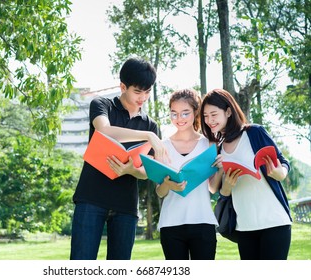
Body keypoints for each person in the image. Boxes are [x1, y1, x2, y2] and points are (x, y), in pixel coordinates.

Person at [70, 57, 166, 260]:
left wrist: (131, 170)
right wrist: (147, 136)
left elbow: (147, 171)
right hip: (91, 198)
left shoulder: (151, 124)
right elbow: (104, 130)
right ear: (123, 86)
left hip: (125, 206)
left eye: (147, 92)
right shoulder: (102, 105)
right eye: (137, 91)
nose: (143, 97)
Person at [200, 88, 292, 260]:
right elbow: (218, 190)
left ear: (228, 111)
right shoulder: (216, 147)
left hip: (275, 221)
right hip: (245, 227)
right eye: (205, 116)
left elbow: (283, 162)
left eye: (213, 114)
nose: (209, 120)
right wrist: (226, 186)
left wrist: (280, 173)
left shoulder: (254, 132)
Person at [156, 89, 220, 260]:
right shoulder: (163, 146)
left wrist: (219, 169)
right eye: (174, 114)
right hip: (171, 224)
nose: (179, 119)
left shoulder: (209, 143)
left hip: (202, 220)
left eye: (185, 113)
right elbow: (160, 192)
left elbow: (213, 188)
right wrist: (168, 185)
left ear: (195, 113)